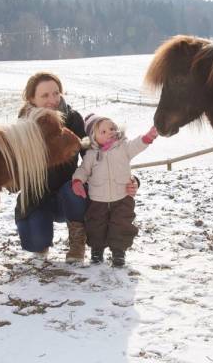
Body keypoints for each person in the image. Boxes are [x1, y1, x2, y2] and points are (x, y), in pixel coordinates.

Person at [15, 72, 139, 263]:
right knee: (36, 244)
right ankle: (40, 234)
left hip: (69, 195)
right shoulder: (22, 125)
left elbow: (101, 155)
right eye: (45, 95)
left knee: (73, 189)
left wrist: (131, 180)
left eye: (56, 93)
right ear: (31, 98)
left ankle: (77, 240)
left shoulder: (73, 119)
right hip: (37, 195)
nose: (52, 100)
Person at [71, 114, 158, 267]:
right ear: (93, 138)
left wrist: (148, 136)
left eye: (111, 128)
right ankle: (97, 251)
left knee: (122, 224)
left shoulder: (123, 147)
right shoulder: (91, 155)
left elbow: (137, 144)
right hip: (98, 199)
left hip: (122, 197)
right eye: (103, 131)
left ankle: (119, 252)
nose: (109, 132)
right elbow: (83, 170)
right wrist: (77, 181)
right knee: (96, 226)